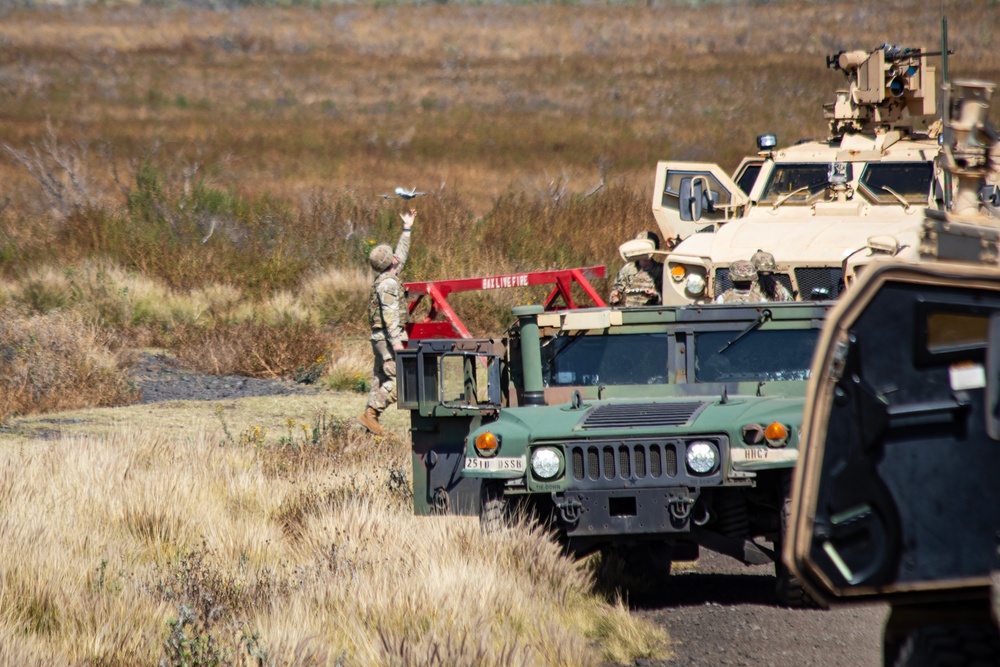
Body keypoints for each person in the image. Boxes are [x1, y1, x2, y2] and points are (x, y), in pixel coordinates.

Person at [359, 209, 416, 436]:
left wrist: (407, 228)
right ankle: (371, 413)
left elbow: (401, 253)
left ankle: (370, 424)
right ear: (390, 261)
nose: (396, 255)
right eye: (392, 254)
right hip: (388, 338)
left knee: (381, 379)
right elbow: (391, 320)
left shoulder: (384, 277)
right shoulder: (389, 285)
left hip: (379, 338)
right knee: (401, 380)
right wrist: (400, 348)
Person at [609, 231, 664, 307]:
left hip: (653, 313)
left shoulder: (661, 270)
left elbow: (669, 298)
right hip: (630, 314)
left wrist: (655, 296)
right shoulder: (627, 269)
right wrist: (615, 296)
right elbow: (616, 292)